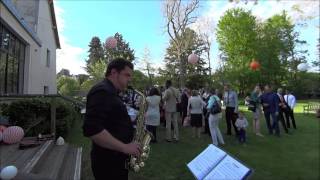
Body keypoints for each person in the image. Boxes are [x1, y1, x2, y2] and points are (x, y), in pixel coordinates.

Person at [83, 58, 141, 180]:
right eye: (127, 75)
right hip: (108, 163)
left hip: (115, 160)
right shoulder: (102, 91)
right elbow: (92, 129)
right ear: (114, 73)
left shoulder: (111, 92)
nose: (129, 79)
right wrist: (125, 147)